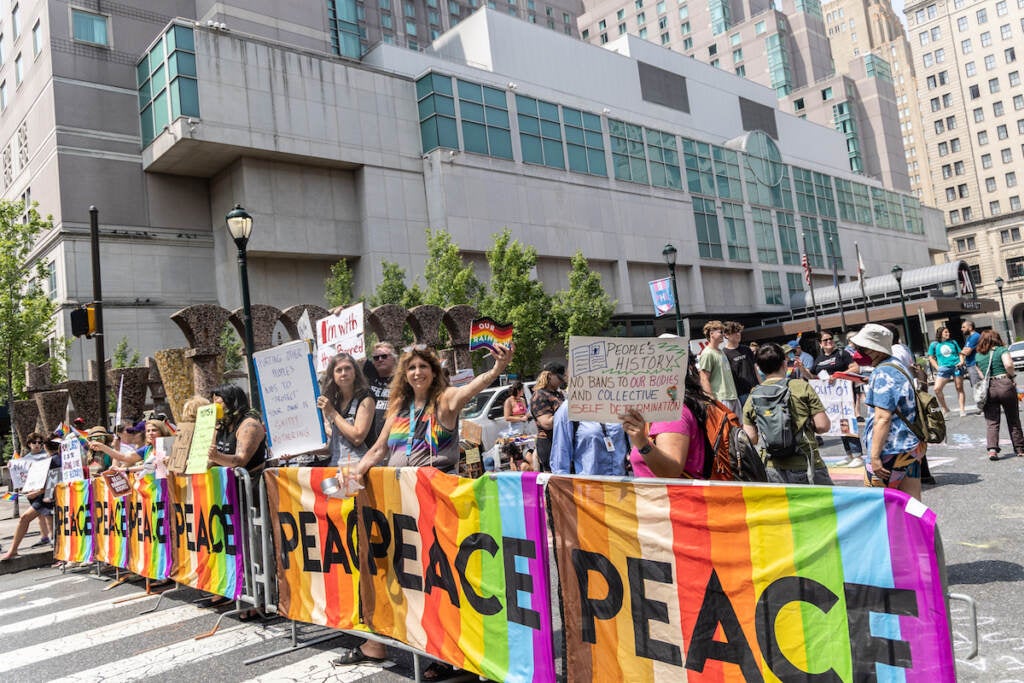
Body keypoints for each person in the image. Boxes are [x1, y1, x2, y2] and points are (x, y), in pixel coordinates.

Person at [343, 343, 512, 673]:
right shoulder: (398, 410)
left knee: (438, 581)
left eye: (424, 366)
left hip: (437, 504)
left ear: (434, 371)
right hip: (398, 507)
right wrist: (353, 478)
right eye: (411, 368)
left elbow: (473, 387)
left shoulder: (445, 401)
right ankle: (387, 641)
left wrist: (495, 370)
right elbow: (377, 451)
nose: (417, 372)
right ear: (404, 375)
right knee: (402, 578)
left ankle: (443, 655)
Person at [742, 343, 833, 485]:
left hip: (772, 467)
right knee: (824, 506)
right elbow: (823, 426)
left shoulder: (753, 395)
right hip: (807, 463)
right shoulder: (801, 386)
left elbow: (751, 438)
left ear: (759, 368)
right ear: (784, 363)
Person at [851, 324, 923, 500]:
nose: (857, 352)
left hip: (888, 450)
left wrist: (874, 457)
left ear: (875, 349)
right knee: (912, 502)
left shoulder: (882, 372)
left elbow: (882, 418)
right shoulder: (896, 365)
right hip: (909, 446)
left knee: (877, 505)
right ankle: (919, 529)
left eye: (862, 348)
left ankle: (893, 529)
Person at [619, 353, 710, 479]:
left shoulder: (672, 413)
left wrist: (642, 443)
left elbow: (671, 471)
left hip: (673, 497)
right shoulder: (674, 406)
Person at [1, 434, 60, 561]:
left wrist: (37, 492)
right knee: (44, 520)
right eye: (35, 442)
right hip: (44, 495)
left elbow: (54, 481)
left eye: (40, 442)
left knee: (26, 518)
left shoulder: (53, 460)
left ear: (45, 445)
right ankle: (54, 548)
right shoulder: (51, 459)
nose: (37, 444)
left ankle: (13, 550)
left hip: (46, 496)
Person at [810, 331, 864, 467]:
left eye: (830, 339)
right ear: (820, 344)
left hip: (844, 396)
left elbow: (856, 368)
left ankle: (857, 454)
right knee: (840, 425)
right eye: (825, 340)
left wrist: (838, 375)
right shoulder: (819, 359)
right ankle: (849, 454)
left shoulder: (842, 354)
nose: (829, 342)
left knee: (849, 423)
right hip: (831, 399)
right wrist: (802, 369)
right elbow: (813, 377)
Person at [317, 353, 375, 468]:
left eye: (348, 368)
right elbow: (336, 447)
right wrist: (300, 451)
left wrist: (332, 412)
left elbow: (357, 437)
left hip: (360, 469)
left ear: (355, 372)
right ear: (332, 376)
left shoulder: (365, 398)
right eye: (339, 370)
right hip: (337, 468)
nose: (344, 373)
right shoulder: (336, 402)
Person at [974, 329, 1024, 461]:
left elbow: (980, 373)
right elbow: (1008, 364)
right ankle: (1019, 448)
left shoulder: (978, 355)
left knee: (992, 421)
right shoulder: (1001, 350)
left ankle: (992, 450)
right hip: (1004, 384)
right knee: (1013, 418)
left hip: (989, 388)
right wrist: (1012, 376)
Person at [549, 402, 629, 475]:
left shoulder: (620, 402)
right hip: (588, 486)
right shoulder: (569, 408)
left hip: (621, 484)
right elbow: (560, 461)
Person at [207, 384, 267, 475]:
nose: (214, 404)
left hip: (251, 484)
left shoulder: (249, 425)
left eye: (217, 400)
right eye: (213, 401)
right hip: (227, 482)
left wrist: (216, 457)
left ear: (231, 401)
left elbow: (240, 461)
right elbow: (211, 456)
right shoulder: (221, 426)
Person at [698, 320, 741, 415]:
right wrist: (712, 400)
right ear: (711, 334)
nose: (723, 334)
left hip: (732, 396)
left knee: (738, 428)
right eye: (720, 332)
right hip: (721, 399)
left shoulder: (721, 352)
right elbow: (704, 378)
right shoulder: (707, 353)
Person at [529, 362, 566, 472]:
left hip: (561, 440)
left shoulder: (558, 394)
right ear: (549, 375)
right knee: (553, 480)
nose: (561, 381)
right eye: (559, 378)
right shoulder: (539, 395)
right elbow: (547, 423)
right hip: (549, 443)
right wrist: (568, 412)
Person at [364, 342, 397, 450]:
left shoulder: (402, 380)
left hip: (394, 444)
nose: (380, 359)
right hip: (371, 445)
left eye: (384, 356)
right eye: (376, 358)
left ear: (393, 358)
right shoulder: (370, 376)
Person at [929, 325, 966, 416]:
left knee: (959, 388)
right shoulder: (934, 345)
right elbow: (931, 358)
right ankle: (945, 408)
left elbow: (960, 353)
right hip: (943, 368)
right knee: (937, 389)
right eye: (946, 332)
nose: (948, 333)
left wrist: (961, 361)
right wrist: (937, 367)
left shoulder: (953, 342)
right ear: (940, 334)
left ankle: (962, 409)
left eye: (948, 332)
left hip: (956, 366)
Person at [722, 321, 759, 407]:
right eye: (734, 332)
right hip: (741, 394)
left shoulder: (747, 349)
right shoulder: (724, 354)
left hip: (756, 389)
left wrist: (761, 386)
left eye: (739, 331)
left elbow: (755, 369)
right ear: (726, 335)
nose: (738, 334)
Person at [960, 319, 982, 389]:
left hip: (974, 365)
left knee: (978, 387)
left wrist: (961, 352)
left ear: (970, 328)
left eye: (963, 327)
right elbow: (964, 350)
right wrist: (963, 352)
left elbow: (967, 352)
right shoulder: (968, 338)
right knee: (976, 386)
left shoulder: (975, 336)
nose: (961, 329)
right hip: (970, 365)